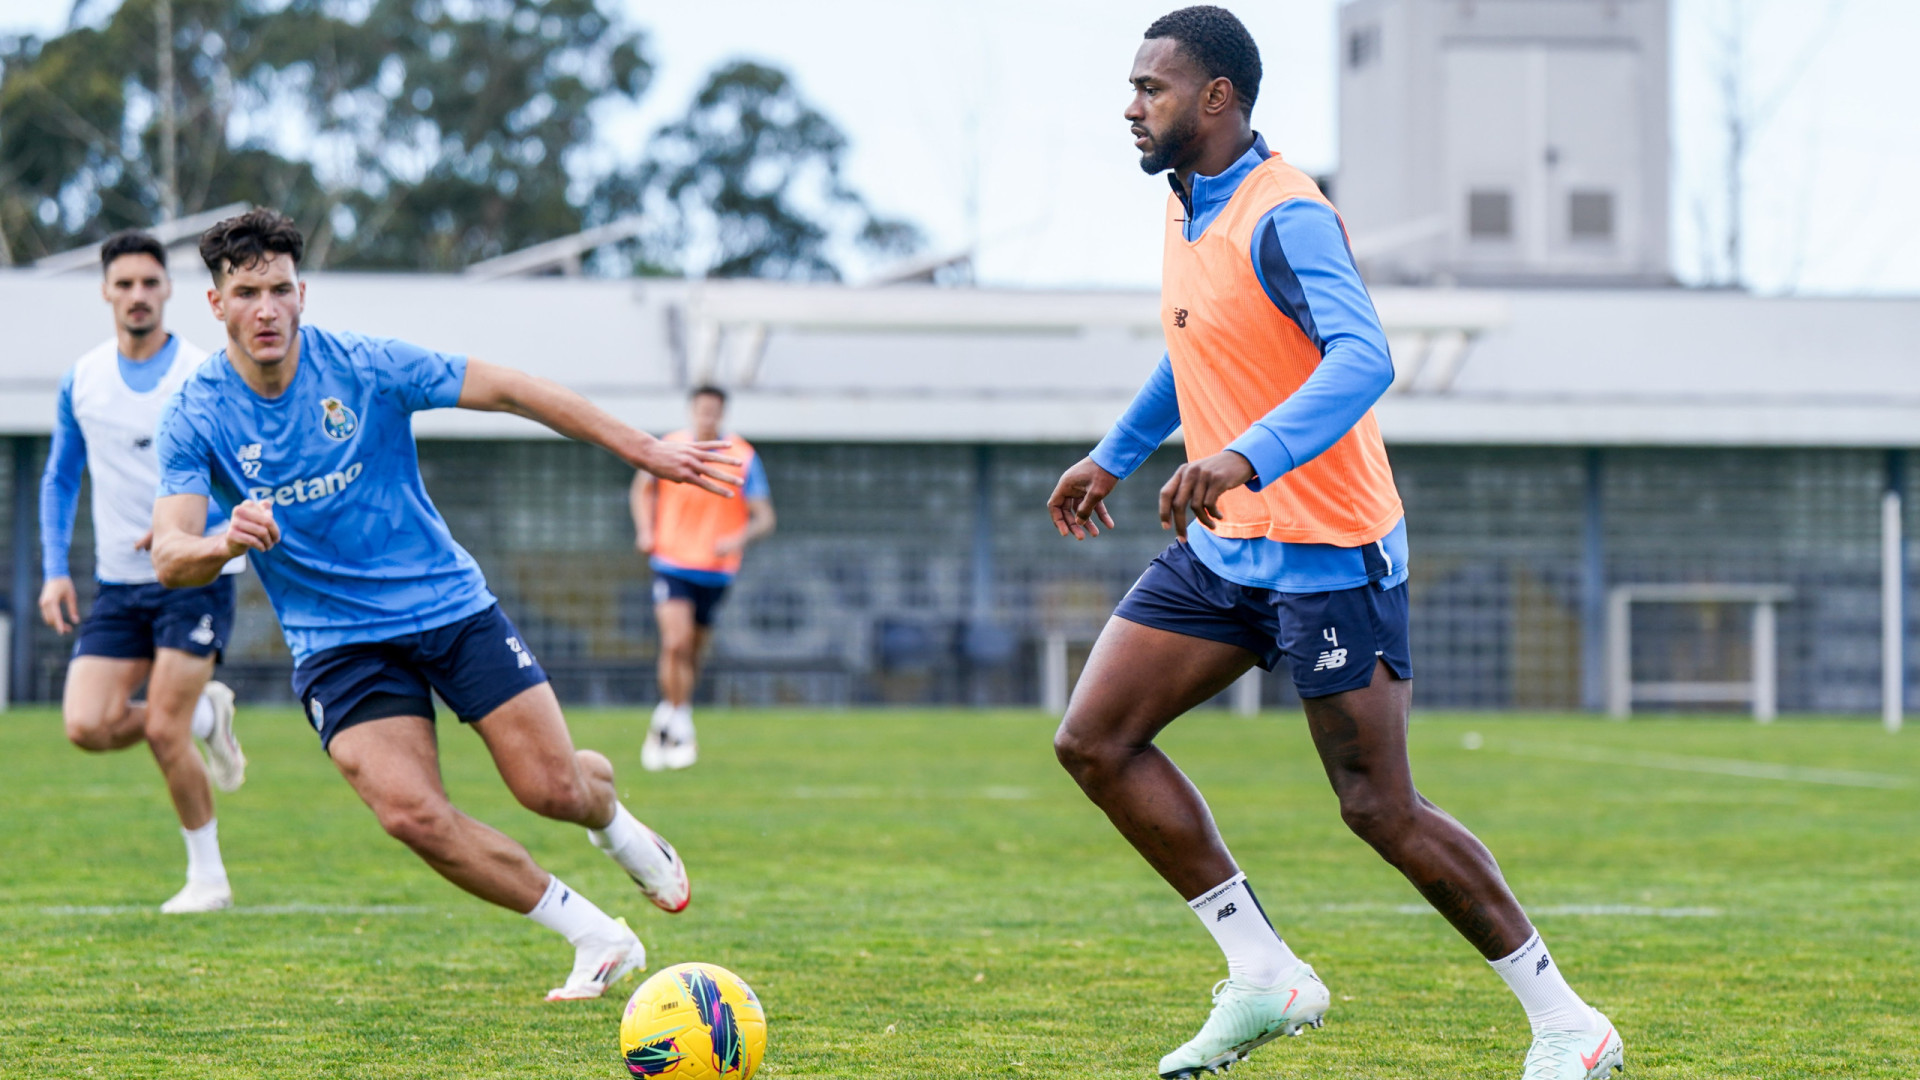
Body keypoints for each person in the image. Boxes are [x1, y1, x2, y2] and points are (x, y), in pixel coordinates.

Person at [1044, 9, 1622, 1080]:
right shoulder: (1184, 205)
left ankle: (1568, 1023)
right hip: (1226, 549)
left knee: (1378, 808)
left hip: (1328, 553)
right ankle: (1262, 973)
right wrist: (1113, 455)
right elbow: (1195, 350)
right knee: (1094, 740)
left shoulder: (1287, 213)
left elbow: (1364, 359)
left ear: (1217, 98)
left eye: (1152, 89)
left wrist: (1241, 458)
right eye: (1132, 88)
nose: (1132, 106)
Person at [149, 208, 740, 1001]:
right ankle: (597, 936)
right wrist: (224, 541)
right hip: (338, 644)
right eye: (247, 291)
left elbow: (508, 388)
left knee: (553, 789)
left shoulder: (364, 365)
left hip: (448, 608)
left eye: (280, 289)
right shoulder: (196, 412)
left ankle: (617, 826)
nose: (266, 309)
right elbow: (168, 554)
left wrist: (642, 447)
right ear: (216, 304)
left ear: (302, 294)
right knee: (410, 815)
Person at [40, 230, 247, 915]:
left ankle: (208, 878)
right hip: (116, 585)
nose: (137, 295)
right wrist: (54, 570)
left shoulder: (203, 371)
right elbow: (61, 477)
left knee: (161, 726)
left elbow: (239, 471)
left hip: (193, 576)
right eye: (124, 284)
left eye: (149, 283)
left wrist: (189, 527)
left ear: (168, 291)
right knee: (87, 726)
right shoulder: (85, 378)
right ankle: (204, 716)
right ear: (106, 291)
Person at [629, 385, 775, 771]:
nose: (706, 416)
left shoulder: (741, 456)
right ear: (692, 410)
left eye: (713, 411)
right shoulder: (671, 445)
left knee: (693, 651)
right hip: (672, 561)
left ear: (721, 412)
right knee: (675, 643)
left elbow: (764, 517)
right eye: (701, 409)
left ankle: (671, 713)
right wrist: (645, 530)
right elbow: (642, 488)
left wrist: (738, 538)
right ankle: (679, 723)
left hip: (716, 569)